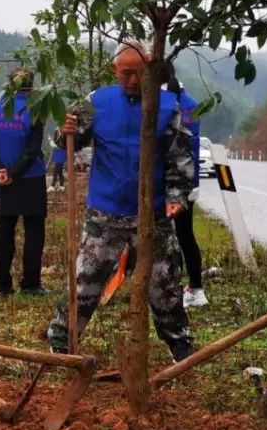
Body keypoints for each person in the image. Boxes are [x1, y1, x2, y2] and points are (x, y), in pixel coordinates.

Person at [45, 44, 195, 363]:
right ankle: (63, 337)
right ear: (115, 71)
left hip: (152, 213)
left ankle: (178, 343)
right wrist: (64, 132)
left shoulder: (167, 106)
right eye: (126, 72)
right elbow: (66, 141)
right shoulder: (96, 102)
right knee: (86, 279)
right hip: (105, 211)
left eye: (140, 72)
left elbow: (180, 156)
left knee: (164, 281)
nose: (132, 79)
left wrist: (176, 196)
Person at [0, 70, 48, 298]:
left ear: (9, 85)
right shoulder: (34, 111)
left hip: (2, 180)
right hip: (30, 178)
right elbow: (32, 150)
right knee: (34, 230)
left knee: (5, 229)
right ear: (31, 87)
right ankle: (30, 284)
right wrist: (14, 173)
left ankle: (3, 286)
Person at [164, 66, 206, 309]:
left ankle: (178, 287)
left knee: (170, 236)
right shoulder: (192, 103)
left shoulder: (169, 104)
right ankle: (196, 288)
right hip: (190, 182)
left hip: (173, 182)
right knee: (185, 235)